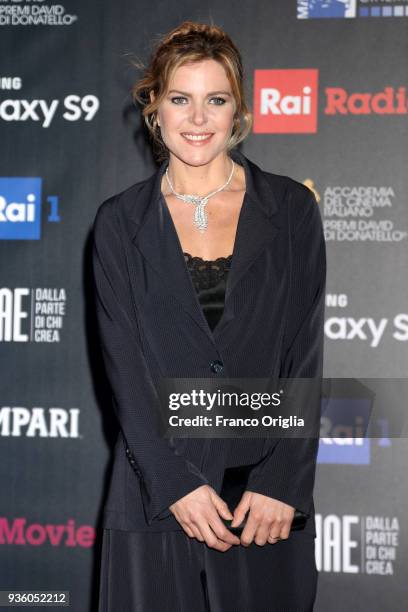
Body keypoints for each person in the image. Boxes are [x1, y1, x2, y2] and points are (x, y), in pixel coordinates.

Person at [93, 20, 326, 612]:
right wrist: (173, 484)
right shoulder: (120, 222)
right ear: (155, 108)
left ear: (238, 110)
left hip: (261, 506)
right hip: (154, 493)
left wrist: (283, 483)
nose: (198, 119)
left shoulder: (291, 209)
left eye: (215, 100)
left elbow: (304, 355)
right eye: (180, 99)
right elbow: (124, 371)